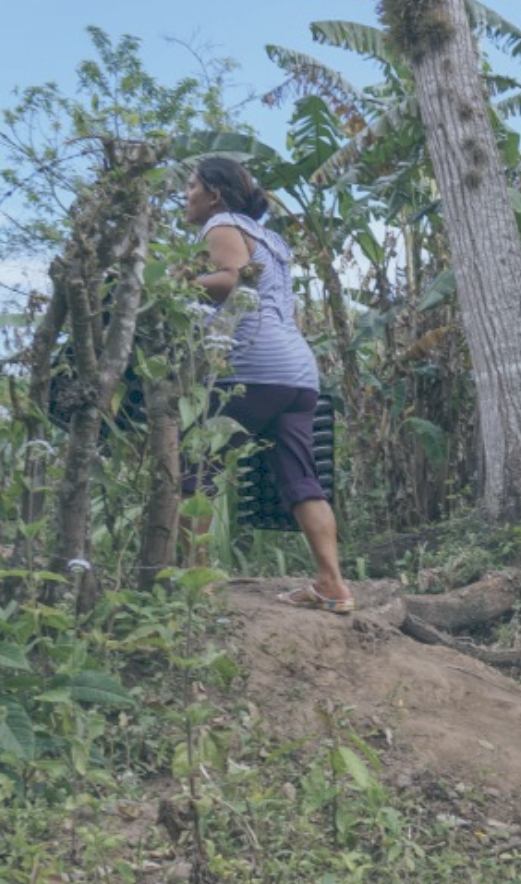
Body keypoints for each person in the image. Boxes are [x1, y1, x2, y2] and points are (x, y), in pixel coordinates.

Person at [180, 156, 353, 613]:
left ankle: (195, 586)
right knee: (302, 479)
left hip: (252, 367)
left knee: (191, 468)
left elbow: (233, 281)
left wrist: (178, 283)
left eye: (191, 185)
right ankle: (332, 584)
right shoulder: (270, 238)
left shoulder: (220, 225)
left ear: (214, 194)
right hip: (298, 372)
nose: (186, 194)